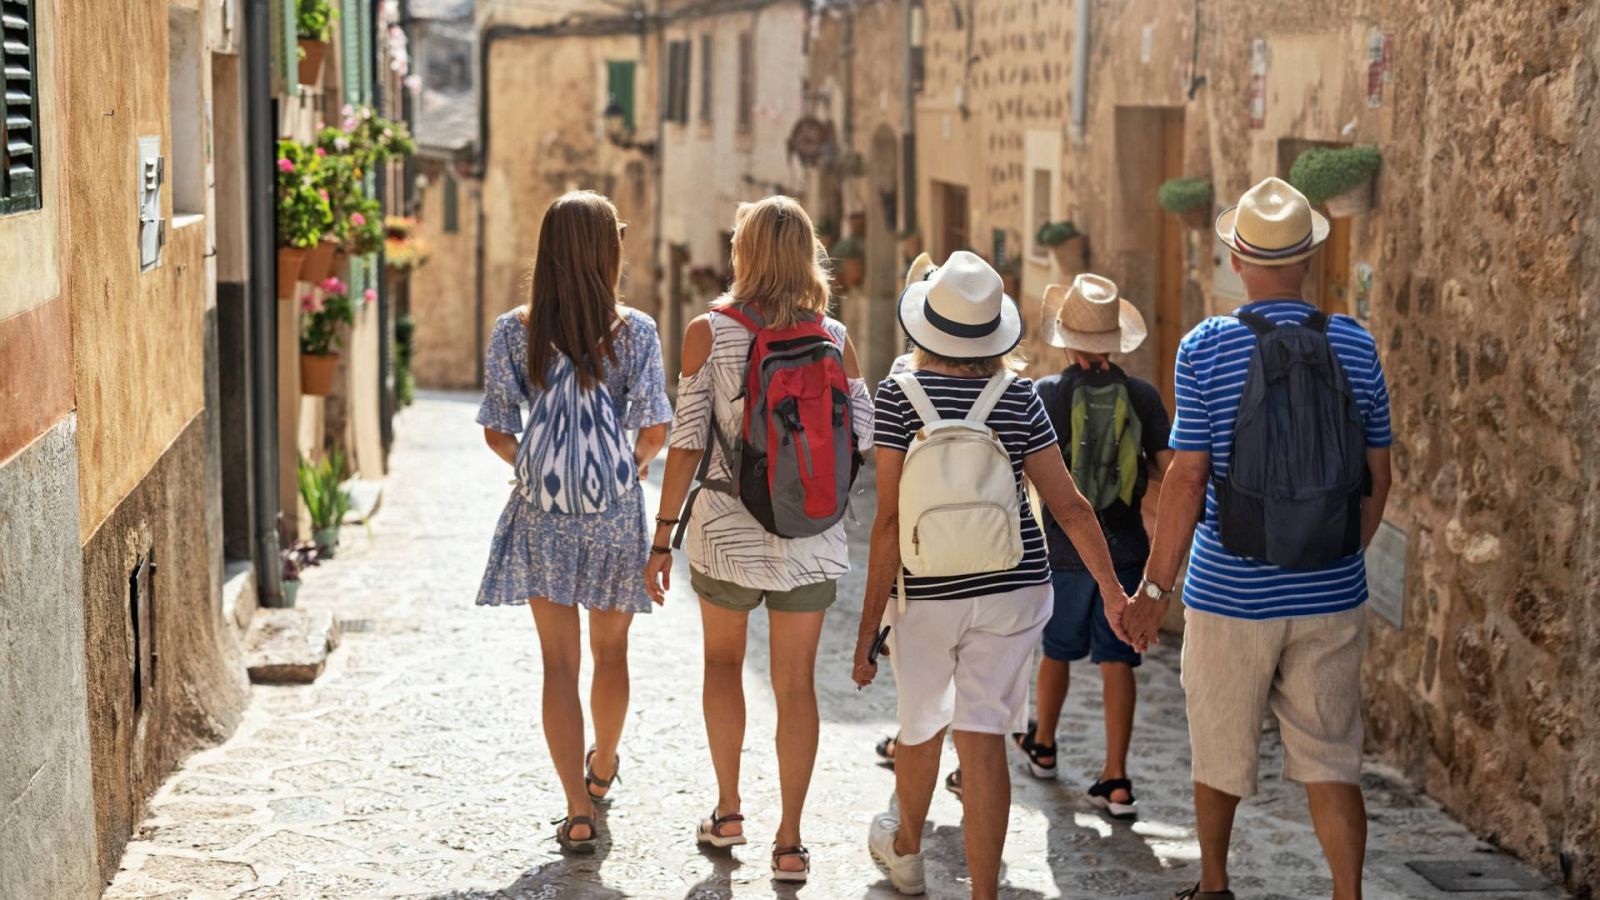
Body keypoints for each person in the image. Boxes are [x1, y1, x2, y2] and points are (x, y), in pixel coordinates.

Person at [1120, 177, 1393, 900]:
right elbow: (1381, 474)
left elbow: (1184, 482)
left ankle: (1213, 885)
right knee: (1333, 758)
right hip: (1332, 590)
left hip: (1230, 589)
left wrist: (1153, 590)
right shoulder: (1356, 345)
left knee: (1220, 747)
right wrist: (1339, 555)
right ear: (1307, 260)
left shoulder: (1207, 347)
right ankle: (1347, 894)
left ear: (1236, 258)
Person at [851, 251, 1130, 899]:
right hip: (1013, 585)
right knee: (984, 740)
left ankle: (908, 854)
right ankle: (983, 893)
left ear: (927, 328)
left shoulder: (899, 397)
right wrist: (1114, 594)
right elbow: (1068, 506)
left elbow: (888, 523)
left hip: (925, 590)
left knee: (920, 725)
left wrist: (869, 629)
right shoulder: (1020, 397)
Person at [646, 196, 874, 884]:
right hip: (811, 531)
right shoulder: (835, 337)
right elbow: (864, 435)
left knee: (722, 664)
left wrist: (661, 539)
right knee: (797, 683)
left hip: (726, 531)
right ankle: (792, 842)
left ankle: (728, 810)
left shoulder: (707, 332)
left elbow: (685, 443)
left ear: (742, 252)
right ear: (809, 256)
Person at [476, 191, 673, 853]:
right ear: (608, 253)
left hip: (542, 517)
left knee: (557, 666)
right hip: (615, 518)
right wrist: (625, 464)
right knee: (611, 652)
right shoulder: (637, 332)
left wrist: (538, 462)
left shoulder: (515, 330)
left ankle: (576, 811)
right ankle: (605, 762)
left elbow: (498, 432)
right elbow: (655, 428)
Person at [1009, 273, 1172, 819]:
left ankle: (1045, 746)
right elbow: (1169, 475)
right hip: (1124, 551)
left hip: (1062, 551)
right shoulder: (1143, 396)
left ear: (1067, 340)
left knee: (1056, 651)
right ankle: (1117, 777)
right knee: (1117, 661)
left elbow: (1027, 477)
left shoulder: (1047, 395)